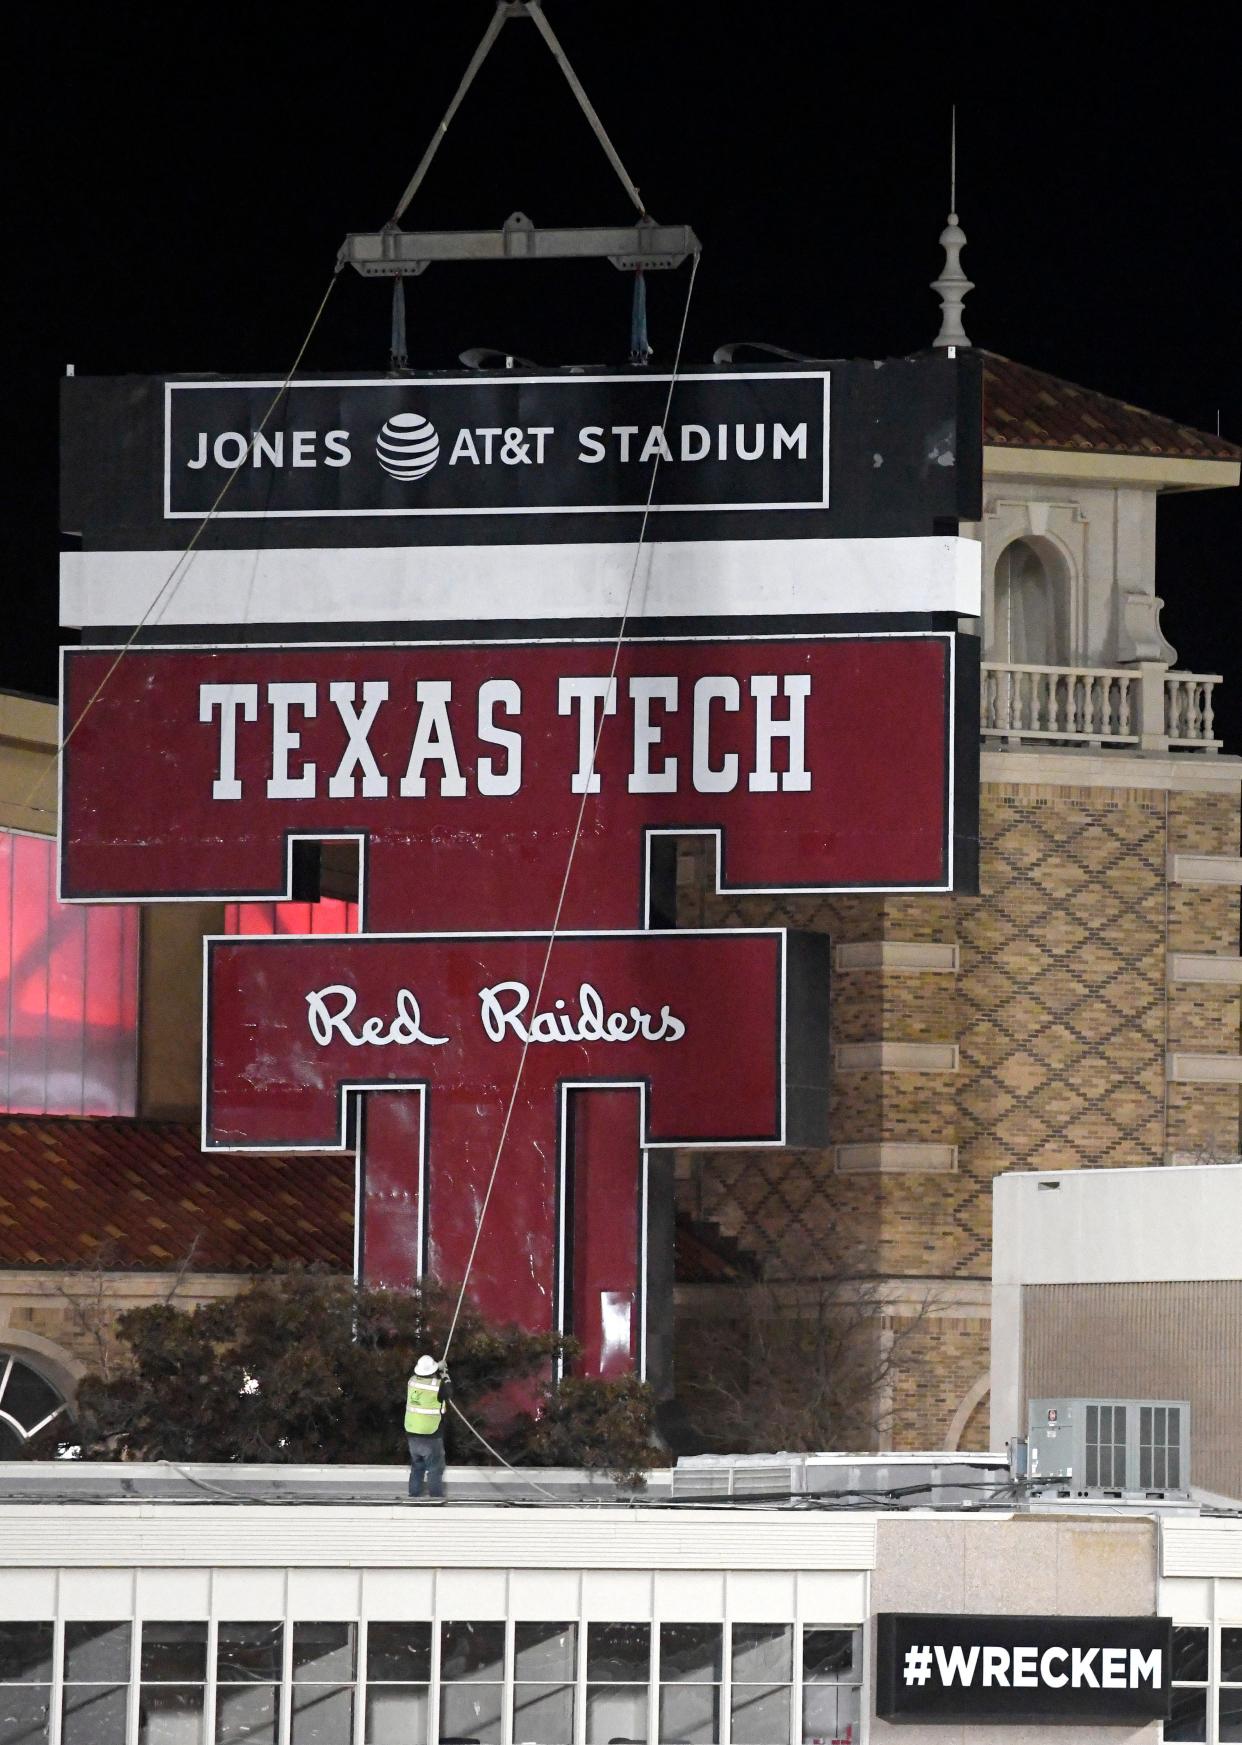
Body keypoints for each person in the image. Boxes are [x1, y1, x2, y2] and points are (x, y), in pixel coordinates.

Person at [405, 1353, 451, 1500]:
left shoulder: (412, 1382)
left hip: (412, 1433)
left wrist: (438, 1366)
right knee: (434, 1468)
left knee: (417, 1466)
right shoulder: (438, 1386)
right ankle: (436, 1497)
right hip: (430, 1434)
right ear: (433, 1371)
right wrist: (445, 1375)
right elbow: (449, 1391)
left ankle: (413, 1494)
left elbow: (428, 1374)